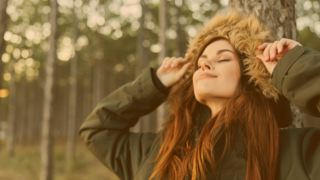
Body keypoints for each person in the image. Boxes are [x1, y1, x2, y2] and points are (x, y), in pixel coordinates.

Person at [79, 10, 320, 180]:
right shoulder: (159, 153)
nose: (204, 66)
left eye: (222, 58)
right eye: (200, 62)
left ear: (250, 76)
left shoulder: (295, 151)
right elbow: (98, 130)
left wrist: (294, 68)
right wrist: (155, 83)